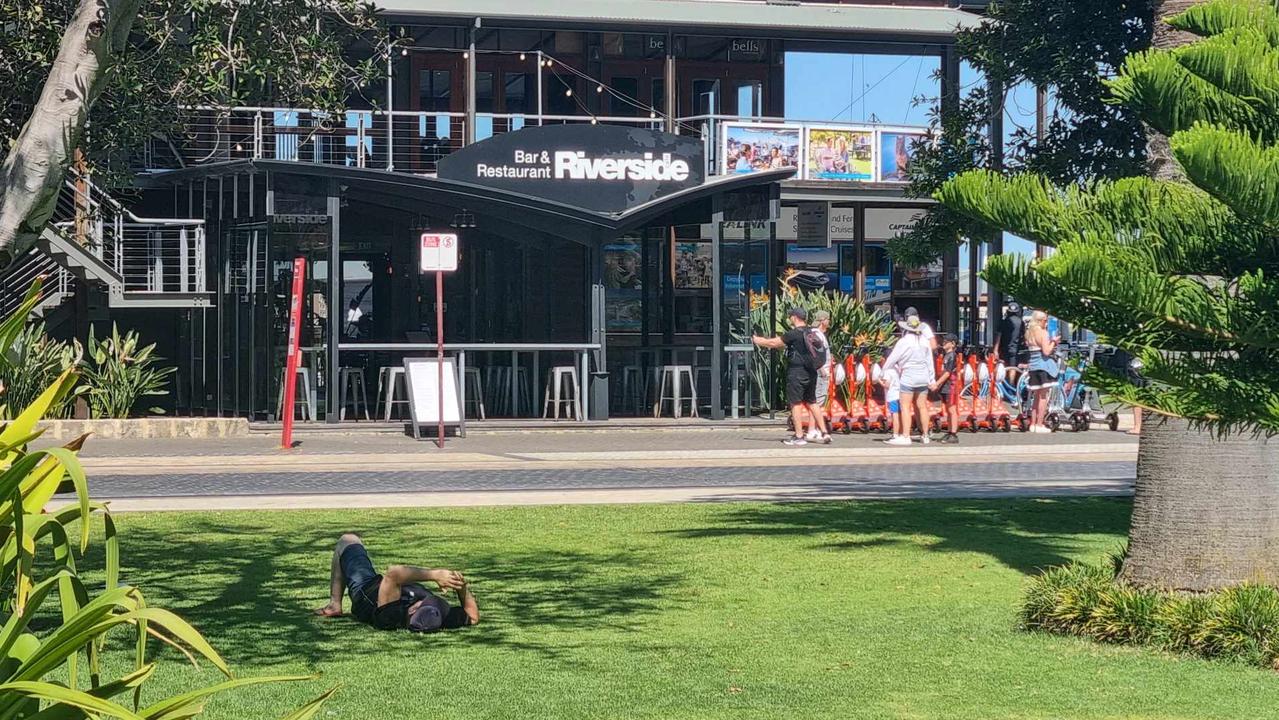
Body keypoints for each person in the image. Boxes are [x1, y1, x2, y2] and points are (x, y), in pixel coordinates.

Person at [315, 533, 480, 633]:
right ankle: (334, 605)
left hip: (365, 589)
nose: (432, 601)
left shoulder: (391, 616)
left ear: (414, 609)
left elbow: (393, 574)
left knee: (348, 540)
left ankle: (334, 605)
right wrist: (461, 587)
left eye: (427, 603)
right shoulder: (440, 619)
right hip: (389, 584)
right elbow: (472, 616)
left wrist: (435, 575)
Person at [753, 307, 830, 446]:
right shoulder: (812, 332)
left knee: (796, 404)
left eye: (790, 317)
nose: (789, 319)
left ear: (794, 317)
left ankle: (799, 436)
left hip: (797, 373)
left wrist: (759, 341)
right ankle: (824, 433)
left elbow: (774, 343)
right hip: (811, 372)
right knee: (812, 402)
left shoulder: (794, 334)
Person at [881, 307, 935, 446]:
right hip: (923, 375)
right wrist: (932, 378)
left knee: (905, 406)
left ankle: (906, 436)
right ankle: (925, 435)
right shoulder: (924, 342)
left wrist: (883, 372)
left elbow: (892, 358)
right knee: (922, 406)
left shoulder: (904, 341)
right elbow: (930, 361)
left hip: (908, 376)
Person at [1024, 310, 1059, 433]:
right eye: (1045, 320)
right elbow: (1046, 351)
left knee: (1036, 397)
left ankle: (1033, 424)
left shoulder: (1029, 333)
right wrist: (1054, 342)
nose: (1047, 323)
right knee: (1043, 397)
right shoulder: (1043, 333)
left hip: (1033, 367)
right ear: (1039, 321)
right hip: (1043, 366)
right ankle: (1039, 424)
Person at [807, 310, 835, 441]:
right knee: (817, 401)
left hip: (820, 371)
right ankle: (812, 430)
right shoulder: (818, 335)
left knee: (816, 400)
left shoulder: (815, 334)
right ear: (823, 321)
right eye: (828, 319)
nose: (829, 322)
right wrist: (823, 369)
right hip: (821, 373)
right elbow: (817, 354)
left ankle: (814, 429)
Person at [930, 334, 960, 443]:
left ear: (952, 344)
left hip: (951, 386)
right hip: (945, 386)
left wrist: (936, 384)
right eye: (944, 341)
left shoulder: (952, 355)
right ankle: (949, 431)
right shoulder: (946, 355)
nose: (944, 343)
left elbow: (947, 373)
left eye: (946, 341)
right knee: (948, 409)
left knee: (952, 410)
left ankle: (954, 433)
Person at [993, 301, 1027, 385]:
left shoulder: (1003, 322)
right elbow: (1025, 337)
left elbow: (999, 336)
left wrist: (996, 349)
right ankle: (1011, 387)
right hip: (1015, 349)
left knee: (1004, 367)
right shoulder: (1021, 322)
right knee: (1013, 368)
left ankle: (1005, 385)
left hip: (1004, 349)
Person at [881, 366, 903, 443]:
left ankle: (895, 434)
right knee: (900, 414)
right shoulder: (899, 368)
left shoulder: (888, 370)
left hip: (892, 395)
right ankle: (901, 433)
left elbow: (887, 385)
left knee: (894, 414)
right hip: (900, 394)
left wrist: (879, 381)